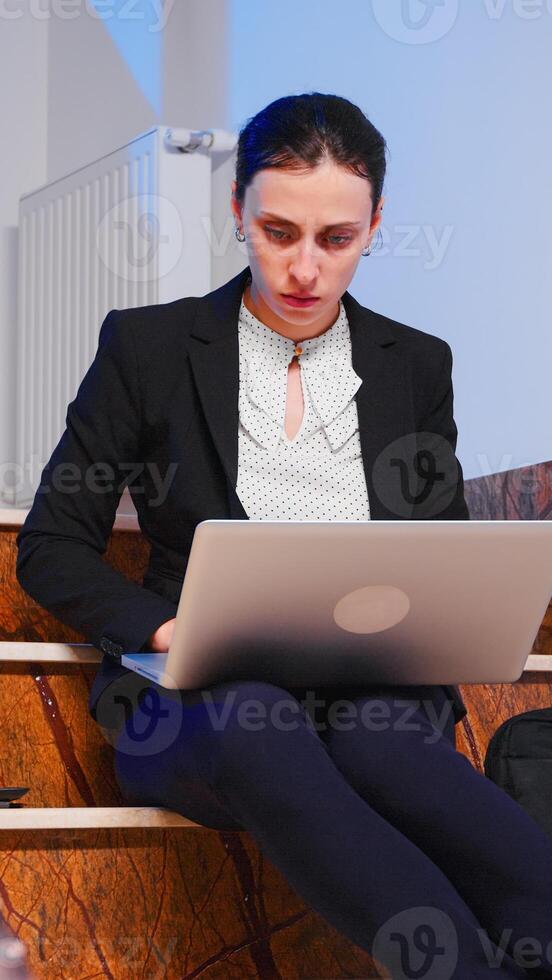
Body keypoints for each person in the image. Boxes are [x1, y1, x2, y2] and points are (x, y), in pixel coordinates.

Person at [15, 92, 552, 979]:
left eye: (335, 239)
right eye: (277, 231)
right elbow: (50, 546)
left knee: (383, 736)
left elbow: (441, 546)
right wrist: (163, 628)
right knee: (259, 717)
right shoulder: (148, 349)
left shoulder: (415, 365)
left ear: (376, 225)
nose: (304, 267)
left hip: (374, 696)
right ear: (238, 213)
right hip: (203, 708)